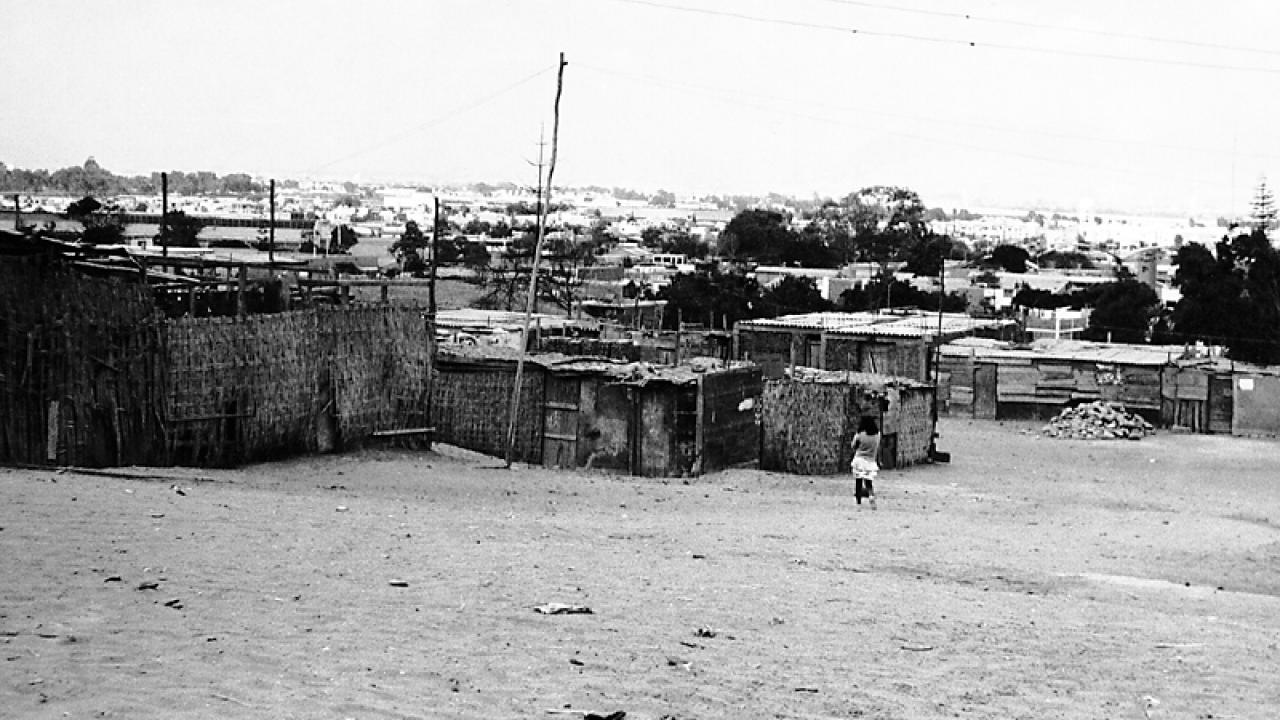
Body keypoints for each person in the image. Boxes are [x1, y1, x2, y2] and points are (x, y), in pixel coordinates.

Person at [850, 415, 881, 508]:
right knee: (868, 481)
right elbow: (877, 447)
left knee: (858, 481)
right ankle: (871, 495)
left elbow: (853, 445)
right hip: (870, 461)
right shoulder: (877, 434)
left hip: (859, 460)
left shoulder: (860, 434)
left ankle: (858, 501)